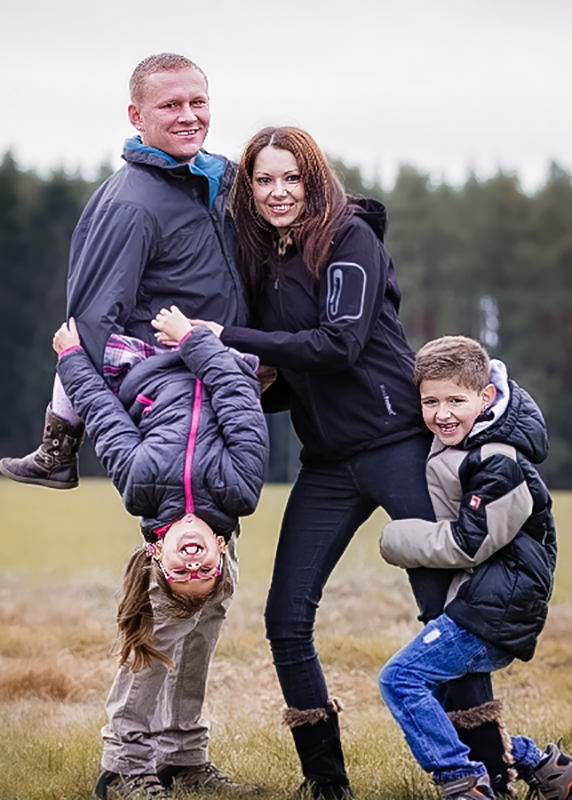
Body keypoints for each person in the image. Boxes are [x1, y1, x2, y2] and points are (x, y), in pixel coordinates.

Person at [187, 127, 501, 799]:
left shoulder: (350, 237)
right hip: (326, 459)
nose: (278, 192)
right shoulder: (260, 257)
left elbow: (338, 345)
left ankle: (490, 774)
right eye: (264, 180)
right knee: (285, 617)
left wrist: (225, 338)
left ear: (314, 179)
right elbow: (290, 371)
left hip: (396, 444)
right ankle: (326, 782)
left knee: (442, 606)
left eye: (291, 178)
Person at [0, 52, 247, 491]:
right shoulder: (131, 204)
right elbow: (93, 321)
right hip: (172, 395)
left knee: (212, 542)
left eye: (198, 103)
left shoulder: (217, 179)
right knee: (187, 543)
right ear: (136, 116)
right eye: (170, 106)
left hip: (220, 378)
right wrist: (74, 428)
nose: (188, 116)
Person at [52, 307, 269, 800]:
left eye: (182, 569)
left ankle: (180, 758)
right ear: (220, 548)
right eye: (203, 569)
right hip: (211, 352)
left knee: (191, 651)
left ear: (157, 555)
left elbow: (105, 418)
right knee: (163, 649)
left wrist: (70, 360)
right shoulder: (239, 491)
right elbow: (238, 402)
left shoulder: (141, 487)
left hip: (148, 367)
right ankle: (127, 763)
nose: (192, 562)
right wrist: (192, 339)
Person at [378, 336, 571, 800]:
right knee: (446, 701)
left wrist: (396, 539)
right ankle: (545, 768)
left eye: (455, 400)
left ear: (486, 397)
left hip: (495, 608)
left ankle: (461, 781)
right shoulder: (469, 444)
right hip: (485, 601)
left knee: (401, 679)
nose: (442, 413)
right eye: (430, 401)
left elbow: (471, 543)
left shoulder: (498, 459)